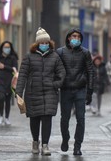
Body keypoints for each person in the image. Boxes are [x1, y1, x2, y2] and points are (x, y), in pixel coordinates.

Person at [15, 27, 66, 156]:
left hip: (50, 93)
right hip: (33, 93)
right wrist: (18, 93)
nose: (44, 45)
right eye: (42, 43)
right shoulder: (29, 57)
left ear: (49, 43)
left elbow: (62, 73)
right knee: (34, 119)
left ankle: (45, 145)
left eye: (46, 43)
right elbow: (22, 75)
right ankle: (35, 142)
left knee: (47, 118)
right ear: (37, 44)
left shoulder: (55, 57)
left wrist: (55, 85)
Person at [57, 28, 94, 156]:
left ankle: (77, 146)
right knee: (64, 119)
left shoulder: (85, 53)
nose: (76, 39)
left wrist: (89, 91)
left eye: (78, 37)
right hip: (66, 90)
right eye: (74, 36)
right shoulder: (60, 52)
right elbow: (56, 70)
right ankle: (65, 138)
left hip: (80, 89)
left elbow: (90, 72)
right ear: (68, 37)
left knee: (81, 119)